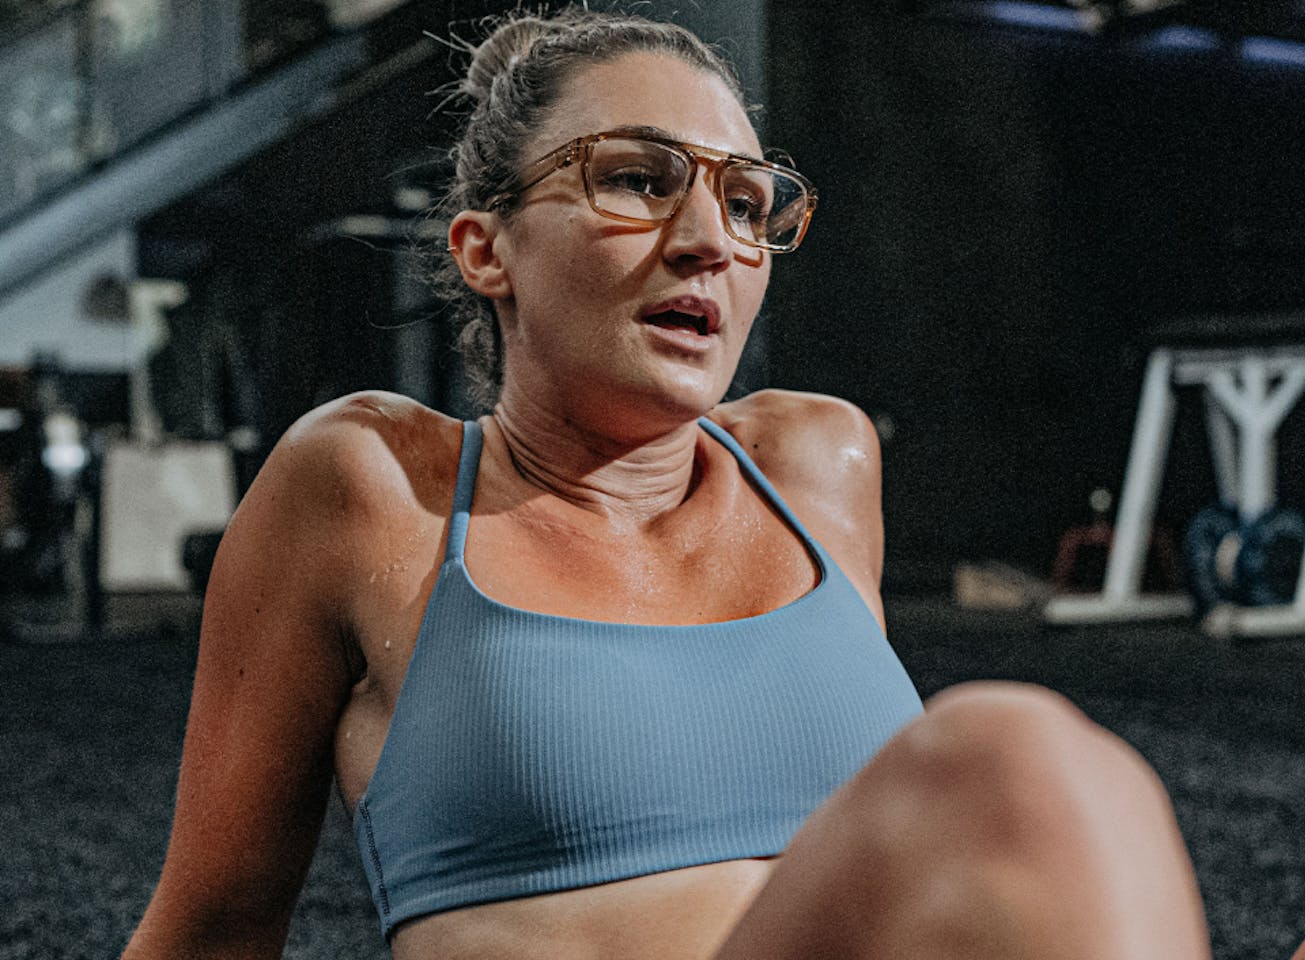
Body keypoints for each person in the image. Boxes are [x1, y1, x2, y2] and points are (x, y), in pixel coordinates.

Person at [121, 7, 1296, 959]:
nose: (710, 239)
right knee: (1011, 760)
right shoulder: (370, 483)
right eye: (635, 179)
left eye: (745, 202)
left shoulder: (818, 463)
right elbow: (212, 929)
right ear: (487, 248)